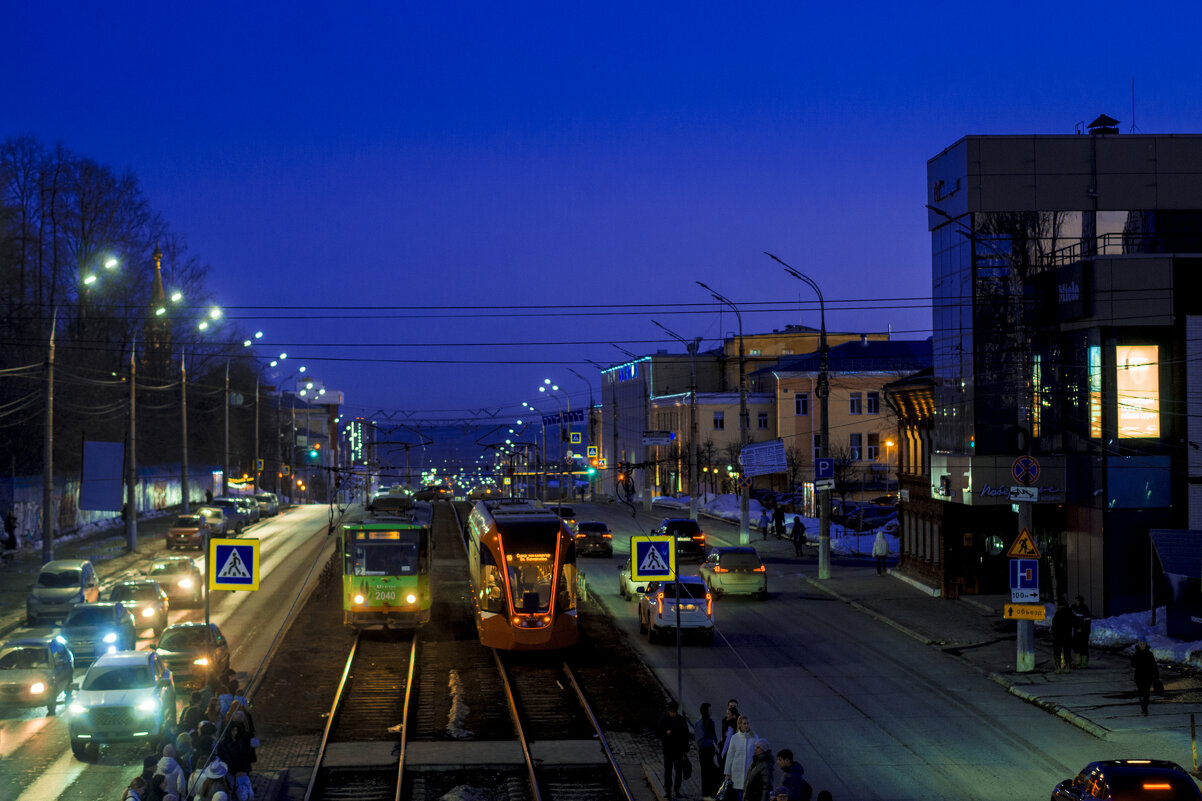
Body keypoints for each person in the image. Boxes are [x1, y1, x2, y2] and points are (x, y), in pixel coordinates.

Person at [655, 700, 691, 800]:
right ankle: (668, 790)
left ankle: (676, 789)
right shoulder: (664, 720)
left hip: (678, 750)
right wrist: (666, 733)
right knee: (668, 770)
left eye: (674, 712)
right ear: (669, 711)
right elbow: (658, 733)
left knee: (678, 770)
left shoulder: (681, 720)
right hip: (668, 750)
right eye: (671, 712)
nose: (673, 713)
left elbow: (686, 735)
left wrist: (686, 748)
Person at [722, 715, 757, 800]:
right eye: (744, 723)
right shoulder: (735, 738)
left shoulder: (754, 737)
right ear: (740, 725)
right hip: (737, 773)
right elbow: (730, 756)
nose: (746, 725)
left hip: (749, 772)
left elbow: (757, 755)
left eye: (748, 723)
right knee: (738, 796)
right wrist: (727, 773)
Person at [694, 702, 721, 800]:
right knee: (706, 773)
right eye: (710, 710)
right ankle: (706, 794)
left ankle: (712, 792)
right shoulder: (700, 723)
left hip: (711, 751)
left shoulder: (710, 721)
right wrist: (711, 742)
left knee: (712, 772)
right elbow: (700, 741)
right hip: (705, 752)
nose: (711, 712)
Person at [1132, 639, 1159, 716]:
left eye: (1143, 644)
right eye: (1141, 644)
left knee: (1146, 693)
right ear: (1139, 645)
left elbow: (1154, 665)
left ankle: (1145, 708)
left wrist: (1156, 675)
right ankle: (1143, 708)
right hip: (1139, 677)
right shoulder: (1136, 654)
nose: (1142, 645)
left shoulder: (1149, 654)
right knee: (1141, 693)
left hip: (1148, 677)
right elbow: (1132, 664)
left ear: (1146, 645)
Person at [1051, 598, 1075, 673]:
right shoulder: (1070, 613)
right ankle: (1067, 667)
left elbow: (1054, 625)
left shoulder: (1057, 613)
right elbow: (1075, 622)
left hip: (1058, 636)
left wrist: (1054, 634)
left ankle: (1058, 668)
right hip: (1067, 635)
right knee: (1067, 652)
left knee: (1057, 652)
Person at [1070, 594, 1093, 668]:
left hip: (1083, 632)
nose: (1076, 602)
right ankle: (1078, 662)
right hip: (1077, 631)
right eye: (1076, 600)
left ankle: (1084, 664)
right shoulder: (1074, 608)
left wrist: (1082, 629)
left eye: (1078, 601)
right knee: (1076, 646)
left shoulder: (1084, 610)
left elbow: (1087, 621)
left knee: (1083, 647)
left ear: (1081, 601)